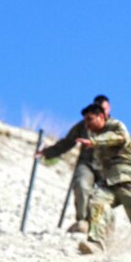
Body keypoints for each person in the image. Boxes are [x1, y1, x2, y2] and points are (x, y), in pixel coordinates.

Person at [73, 102, 131, 255]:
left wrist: (94, 142)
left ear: (101, 116)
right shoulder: (96, 137)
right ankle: (96, 244)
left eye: (90, 119)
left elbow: (118, 138)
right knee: (97, 204)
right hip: (109, 182)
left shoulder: (115, 126)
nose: (87, 125)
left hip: (128, 179)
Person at [36, 94, 112, 233]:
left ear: (109, 109)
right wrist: (47, 152)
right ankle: (82, 222)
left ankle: (103, 228)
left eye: (104, 108)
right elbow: (68, 142)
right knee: (81, 185)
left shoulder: (115, 127)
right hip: (86, 163)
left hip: (106, 167)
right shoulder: (84, 125)